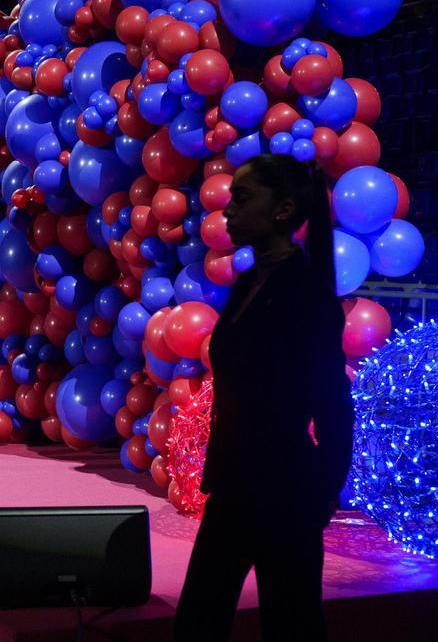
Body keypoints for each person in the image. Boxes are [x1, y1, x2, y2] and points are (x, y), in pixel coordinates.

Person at [175, 155, 355, 641]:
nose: (228, 211)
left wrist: (323, 493)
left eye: (243, 198)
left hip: (287, 490)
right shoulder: (248, 282)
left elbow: (333, 402)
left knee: (291, 627)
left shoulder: (306, 291)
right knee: (197, 622)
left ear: (284, 210)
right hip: (234, 484)